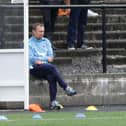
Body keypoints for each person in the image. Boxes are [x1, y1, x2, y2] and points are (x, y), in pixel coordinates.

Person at [29, 23, 77, 110]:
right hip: (35, 68)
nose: (42, 33)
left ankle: (53, 102)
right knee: (52, 68)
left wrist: (42, 59)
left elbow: (51, 57)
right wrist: (44, 59)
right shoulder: (29, 43)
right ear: (33, 32)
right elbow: (32, 59)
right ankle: (65, 87)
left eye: (43, 31)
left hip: (45, 66)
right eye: (40, 31)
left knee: (52, 76)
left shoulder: (46, 41)